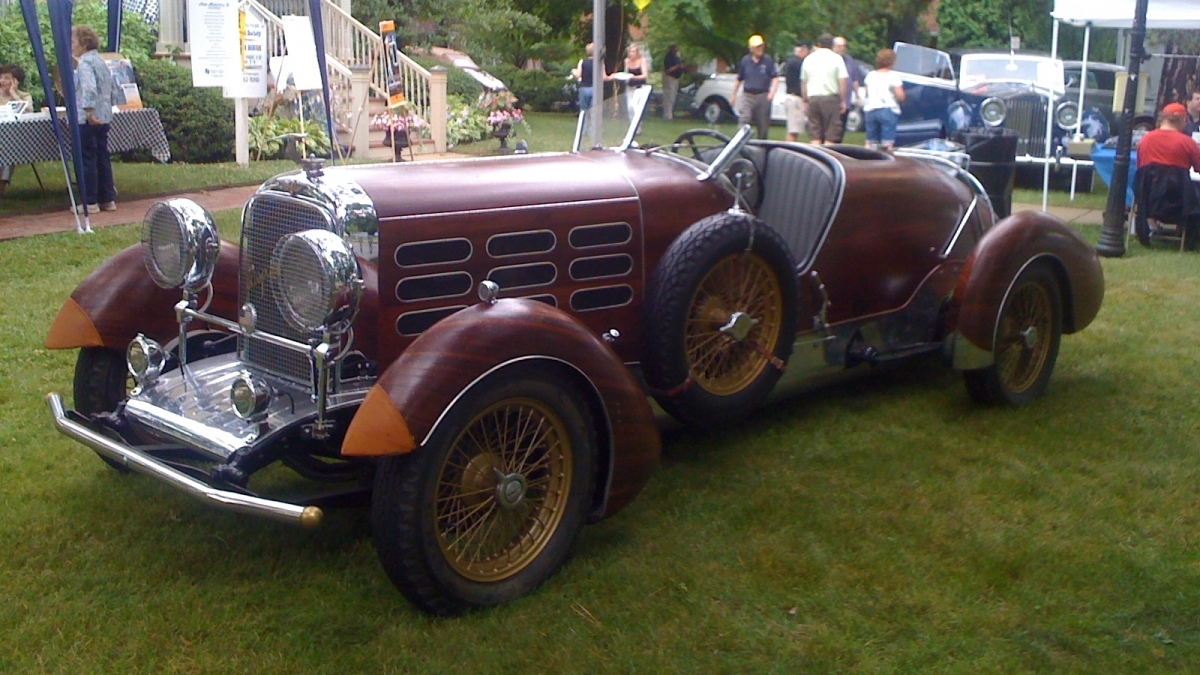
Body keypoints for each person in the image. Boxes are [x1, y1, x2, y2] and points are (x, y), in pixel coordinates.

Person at [1136, 102, 1200, 247]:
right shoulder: (1187, 143)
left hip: (1149, 200)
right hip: (1180, 201)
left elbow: (1141, 170)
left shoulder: (1145, 140)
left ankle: (1151, 229)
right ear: (1182, 120)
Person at [72, 25, 119, 213]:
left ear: (84, 44)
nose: (71, 46)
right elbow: (113, 88)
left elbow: (89, 88)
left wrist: (89, 111)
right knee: (102, 157)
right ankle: (108, 199)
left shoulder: (84, 64)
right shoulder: (101, 61)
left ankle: (89, 201)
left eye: (73, 42)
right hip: (104, 115)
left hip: (88, 118)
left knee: (87, 159)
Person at [801, 33, 848, 146]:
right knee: (831, 133)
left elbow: (804, 82)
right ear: (832, 44)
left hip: (813, 98)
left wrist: (805, 100)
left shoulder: (808, 59)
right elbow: (842, 81)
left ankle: (815, 153)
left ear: (819, 44)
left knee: (815, 134)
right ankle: (827, 153)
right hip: (831, 99)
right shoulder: (837, 59)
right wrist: (843, 100)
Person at [730, 34, 779, 140]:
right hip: (748, 95)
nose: (760, 49)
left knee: (763, 125)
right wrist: (733, 95)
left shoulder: (768, 60)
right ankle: (741, 141)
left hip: (763, 95)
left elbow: (775, 78)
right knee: (744, 118)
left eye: (761, 46)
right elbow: (739, 79)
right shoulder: (745, 61)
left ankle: (762, 145)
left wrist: (772, 92)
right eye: (757, 47)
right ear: (751, 48)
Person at [861, 48, 905, 153]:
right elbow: (900, 95)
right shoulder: (893, 76)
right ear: (892, 61)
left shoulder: (871, 75)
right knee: (887, 143)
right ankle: (887, 159)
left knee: (870, 141)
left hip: (871, 109)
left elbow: (867, 92)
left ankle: (865, 158)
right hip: (887, 109)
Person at [1, 64, 35, 196]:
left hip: (15, 139)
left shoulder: (24, 96)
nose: (2, 81)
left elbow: (29, 112)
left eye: (7, 78)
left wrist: (13, 94)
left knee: (8, 150)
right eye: (1, 77)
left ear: (16, 81)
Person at [832, 36, 862, 143]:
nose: (842, 48)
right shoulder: (830, 60)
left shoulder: (849, 60)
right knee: (831, 128)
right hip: (832, 99)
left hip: (846, 101)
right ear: (833, 47)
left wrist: (857, 96)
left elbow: (854, 80)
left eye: (844, 46)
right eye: (839, 46)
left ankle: (837, 147)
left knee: (841, 128)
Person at [783, 41, 811, 142]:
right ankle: (788, 148)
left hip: (792, 97)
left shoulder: (791, 61)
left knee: (795, 129)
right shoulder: (798, 63)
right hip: (796, 98)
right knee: (793, 130)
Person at [661, 44, 684, 120]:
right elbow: (668, 70)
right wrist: (677, 66)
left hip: (676, 78)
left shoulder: (677, 57)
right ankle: (667, 115)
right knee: (668, 96)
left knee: (673, 96)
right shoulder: (668, 58)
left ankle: (670, 113)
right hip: (669, 78)